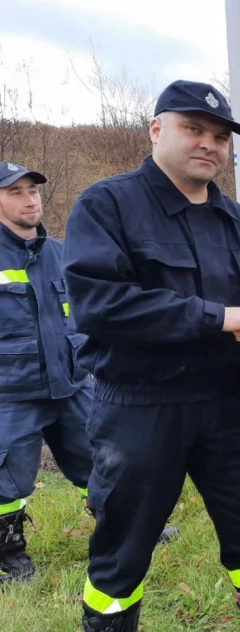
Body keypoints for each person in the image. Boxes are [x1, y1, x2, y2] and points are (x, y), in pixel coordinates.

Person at [62, 80, 240, 632]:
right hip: (140, 408)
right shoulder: (107, 206)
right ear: (156, 128)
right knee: (123, 545)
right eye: (193, 128)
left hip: (227, 408)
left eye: (220, 136)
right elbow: (100, 305)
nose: (209, 144)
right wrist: (216, 316)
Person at [0, 162, 93, 584]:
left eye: (33, 190)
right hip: (12, 392)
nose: (29, 199)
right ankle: (9, 554)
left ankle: (122, 526)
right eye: (15, 192)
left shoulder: (62, 253)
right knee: (7, 480)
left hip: (71, 384)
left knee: (102, 461)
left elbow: (88, 314)